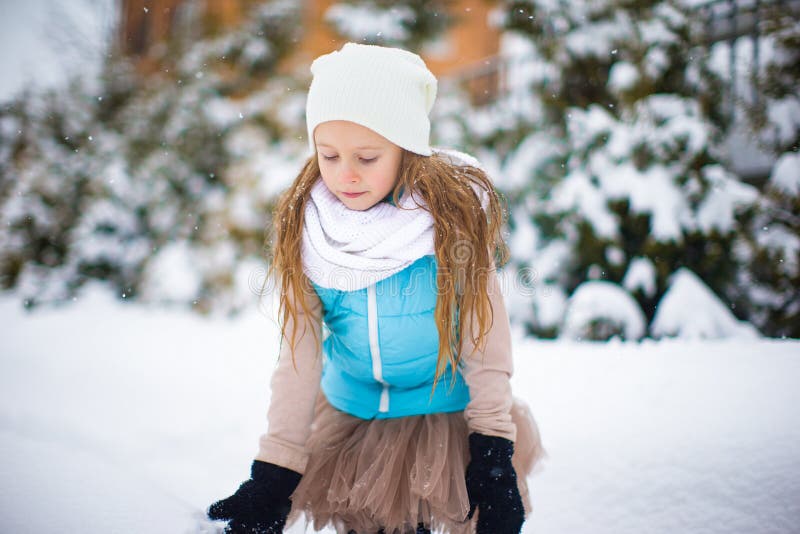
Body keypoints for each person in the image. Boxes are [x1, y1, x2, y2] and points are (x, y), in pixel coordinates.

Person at [208, 42, 543, 534]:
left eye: (367, 156)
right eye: (329, 155)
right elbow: (298, 356)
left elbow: (484, 342)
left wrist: (493, 448)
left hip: (441, 423)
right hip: (352, 423)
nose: (345, 174)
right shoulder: (312, 235)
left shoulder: (450, 229)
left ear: (406, 151)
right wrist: (274, 469)